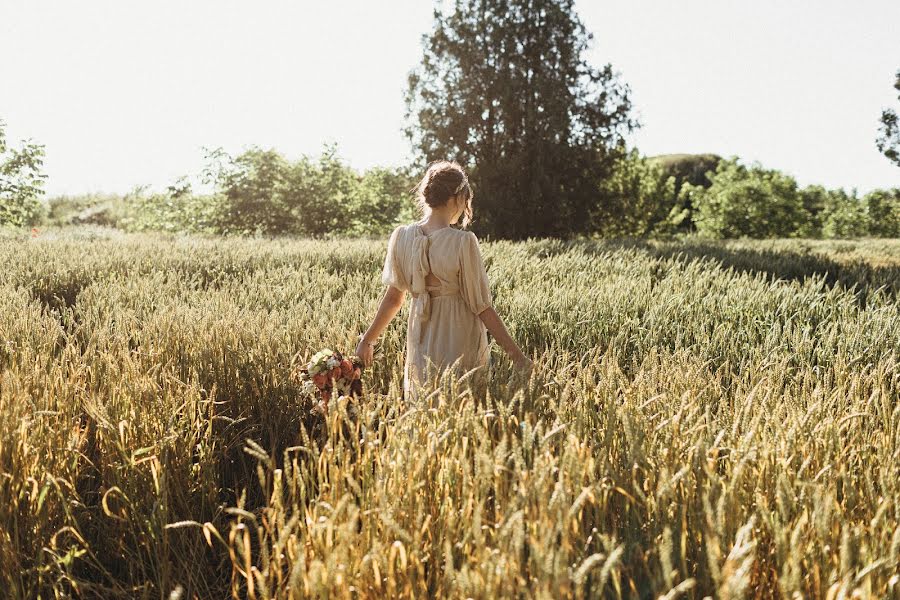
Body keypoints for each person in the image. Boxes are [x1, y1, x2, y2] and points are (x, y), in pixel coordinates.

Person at [355, 160, 533, 403]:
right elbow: (481, 306)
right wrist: (517, 356)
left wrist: (367, 340)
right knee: (461, 402)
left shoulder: (401, 237)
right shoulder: (463, 242)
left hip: (420, 333)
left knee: (424, 405)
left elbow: (394, 299)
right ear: (459, 197)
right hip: (459, 334)